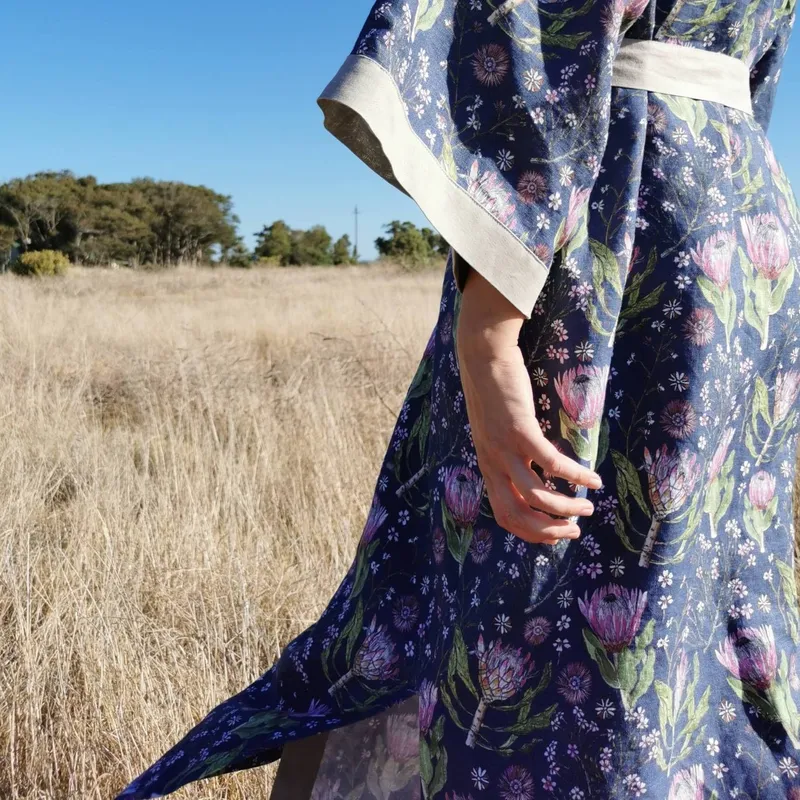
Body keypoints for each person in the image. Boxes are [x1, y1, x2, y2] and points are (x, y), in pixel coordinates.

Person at [117, 0, 800, 796]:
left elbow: (542, 29)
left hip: (616, 221)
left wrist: (489, 325)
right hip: (738, 225)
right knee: (687, 613)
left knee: (527, 604)